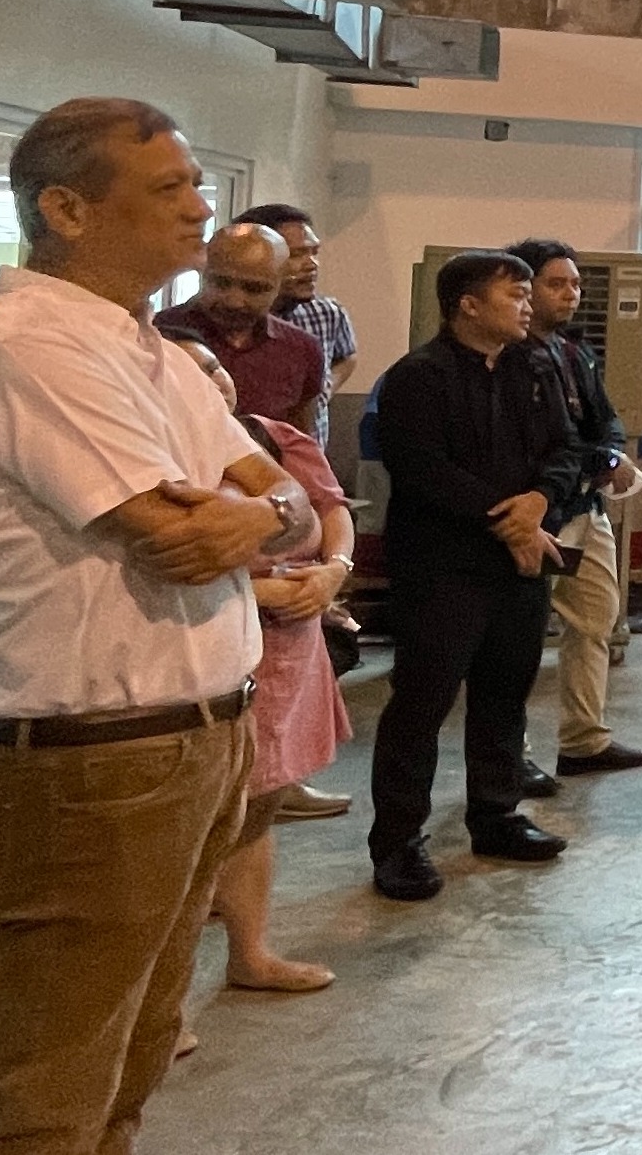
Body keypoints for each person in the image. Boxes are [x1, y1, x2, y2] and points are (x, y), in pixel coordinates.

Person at [0, 97, 317, 1152]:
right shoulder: (23, 350)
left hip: (199, 738)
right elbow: (172, 535)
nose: (201, 209)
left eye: (198, 184)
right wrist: (256, 515)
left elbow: (287, 498)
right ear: (67, 208)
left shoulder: (157, 355)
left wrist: (260, 516)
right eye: (169, 188)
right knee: (44, 1098)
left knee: (132, 1063)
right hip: (98, 762)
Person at [367, 249, 591, 902]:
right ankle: (398, 843)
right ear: (467, 305)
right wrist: (512, 524)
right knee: (421, 704)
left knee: (504, 693)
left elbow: (565, 448)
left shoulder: (533, 365)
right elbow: (422, 470)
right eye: (514, 294)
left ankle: (496, 816)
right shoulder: (418, 376)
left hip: (519, 565)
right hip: (443, 565)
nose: (528, 304)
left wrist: (540, 502)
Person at [164, 332, 352, 994]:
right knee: (198, 823)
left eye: (216, 367)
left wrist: (334, 570)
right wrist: (261, 592)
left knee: (260, 805)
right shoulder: (158, 456)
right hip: (210, 646)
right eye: (192, 373)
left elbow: (328, 508)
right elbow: (166, 561)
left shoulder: (270, 437)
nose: (213, 381)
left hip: (291, 646)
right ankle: (161, 1001)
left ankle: (250, 954)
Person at [505, 239, 642, 783]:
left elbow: (605, 419)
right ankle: (509, 754)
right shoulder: (509, 358)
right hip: (535, 514)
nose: (571, 294)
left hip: (584, 506)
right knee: (517, 637)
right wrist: (596, 458)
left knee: (596, 617)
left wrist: (611, 455)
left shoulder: (575, 352)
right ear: (525, 289)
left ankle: (583, 741)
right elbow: (547, 440)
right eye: (557, 284)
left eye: (575, 284)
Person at [155, 221, 326, 438]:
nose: (235, 301)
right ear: (202, 272)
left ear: (280, 285)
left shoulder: (301, 350)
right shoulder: (155, 335)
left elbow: (296, 443)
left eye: (254, 289)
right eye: (221, 283)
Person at [236, 202, 357, 445]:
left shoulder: (327, 313)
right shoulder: (228, 318)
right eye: (296, 254)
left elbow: (348, 356)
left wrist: (322, 391)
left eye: (314, 252)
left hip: (307, 455)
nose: (312, 264)